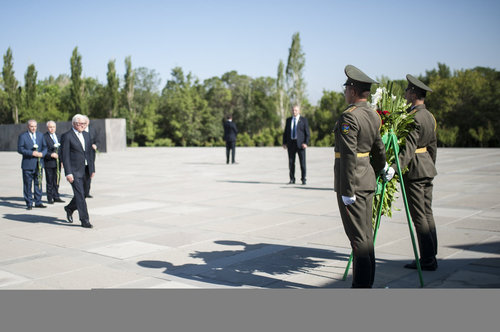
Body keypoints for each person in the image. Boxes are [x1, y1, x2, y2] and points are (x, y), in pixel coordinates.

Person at [334, 65, 386, 288]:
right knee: (366, 235)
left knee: (358, 239)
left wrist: (347, 190)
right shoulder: (373, 115)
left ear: (353, 90)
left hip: (353, 184)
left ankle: (361, 286)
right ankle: (367, 282)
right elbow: (378, 148)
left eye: (346, 87)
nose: (345, 91)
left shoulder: (349, 116)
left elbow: (348, 156)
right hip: (367, 180)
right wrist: (382, 168)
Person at [384, 74, 438, 271]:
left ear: (414, 93)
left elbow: (408, 150)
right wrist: (430, 165)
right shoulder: (429, 116)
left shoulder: (414, 117)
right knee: (428, 212)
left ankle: (427, 259)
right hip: (427, 168)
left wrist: (394, 169)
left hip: (415, 171)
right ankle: (432, 254)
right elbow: (433, 147)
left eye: (408, 90)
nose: (406, 93)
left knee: (419, 217)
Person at [61, 114, 95, 228]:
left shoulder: (86, 135)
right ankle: (85, 220)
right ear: (74, 124)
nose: (83, 126)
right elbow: (65, 156)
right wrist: (68, 172)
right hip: (74, 171)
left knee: (84, 193)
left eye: (84, 124)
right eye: (81, 124)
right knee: (80, 195)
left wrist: (92, 169)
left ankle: (69, 208)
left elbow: (90, 153)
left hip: (86, 170)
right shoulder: (67, 136)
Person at [17, 119, 48, 210]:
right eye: (31, 126)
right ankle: (29, 203)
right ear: (28, 126)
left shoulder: (40, 135)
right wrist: (32, 153)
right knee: (28, 184)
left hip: (39, 164)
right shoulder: (23, 136)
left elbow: (45, 147)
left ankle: (38, 202)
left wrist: (43, 153)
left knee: (38, 183)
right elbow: (20, 149)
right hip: (28, 165)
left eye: (35, 126)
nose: (33, 128)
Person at [282, 105, 310, 185]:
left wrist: (306, 143)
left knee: (302, 163)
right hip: (291, 144)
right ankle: (292, 179)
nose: (294, 112)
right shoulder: (288, 120)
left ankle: (303, 179)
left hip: (301, 145)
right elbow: (285, 133)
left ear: (299, 111)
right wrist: (284, 143)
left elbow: (307, 133)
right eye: (293, 110)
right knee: (291, 163)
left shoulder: (304, 120)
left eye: (296, 110)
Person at [43, 121, 65, 204]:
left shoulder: (59, 136)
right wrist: (50, 154)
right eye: (50, 127)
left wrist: (62, 161)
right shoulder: (44, 137)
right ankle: (50, 197)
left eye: (53, 127)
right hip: (49, 162)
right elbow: (43, 150)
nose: (52, 129)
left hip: (58, 163)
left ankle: (56, 196)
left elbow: (61, 150)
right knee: (50, 181)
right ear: (47, 128)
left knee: (57, 180)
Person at [82, 115, 99, 198]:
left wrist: (95, 145)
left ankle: (87, 192)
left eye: (86, 122)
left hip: (91, 156)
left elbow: (98, 141)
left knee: (89, 173)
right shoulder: (80, 131)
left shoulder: (93, 130)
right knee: (82, 175)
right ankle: (81, 191)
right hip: (82, 156)